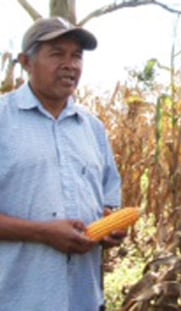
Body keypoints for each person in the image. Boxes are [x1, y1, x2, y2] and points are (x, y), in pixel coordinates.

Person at [0, 17, 124, 310]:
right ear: (26, 62)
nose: (71, 65)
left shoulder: (92, 128)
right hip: (17, 298)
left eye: (77, 56)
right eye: (57, 54)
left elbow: (108, 202)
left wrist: (109, 226)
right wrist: (43, 233)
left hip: (85, 299)